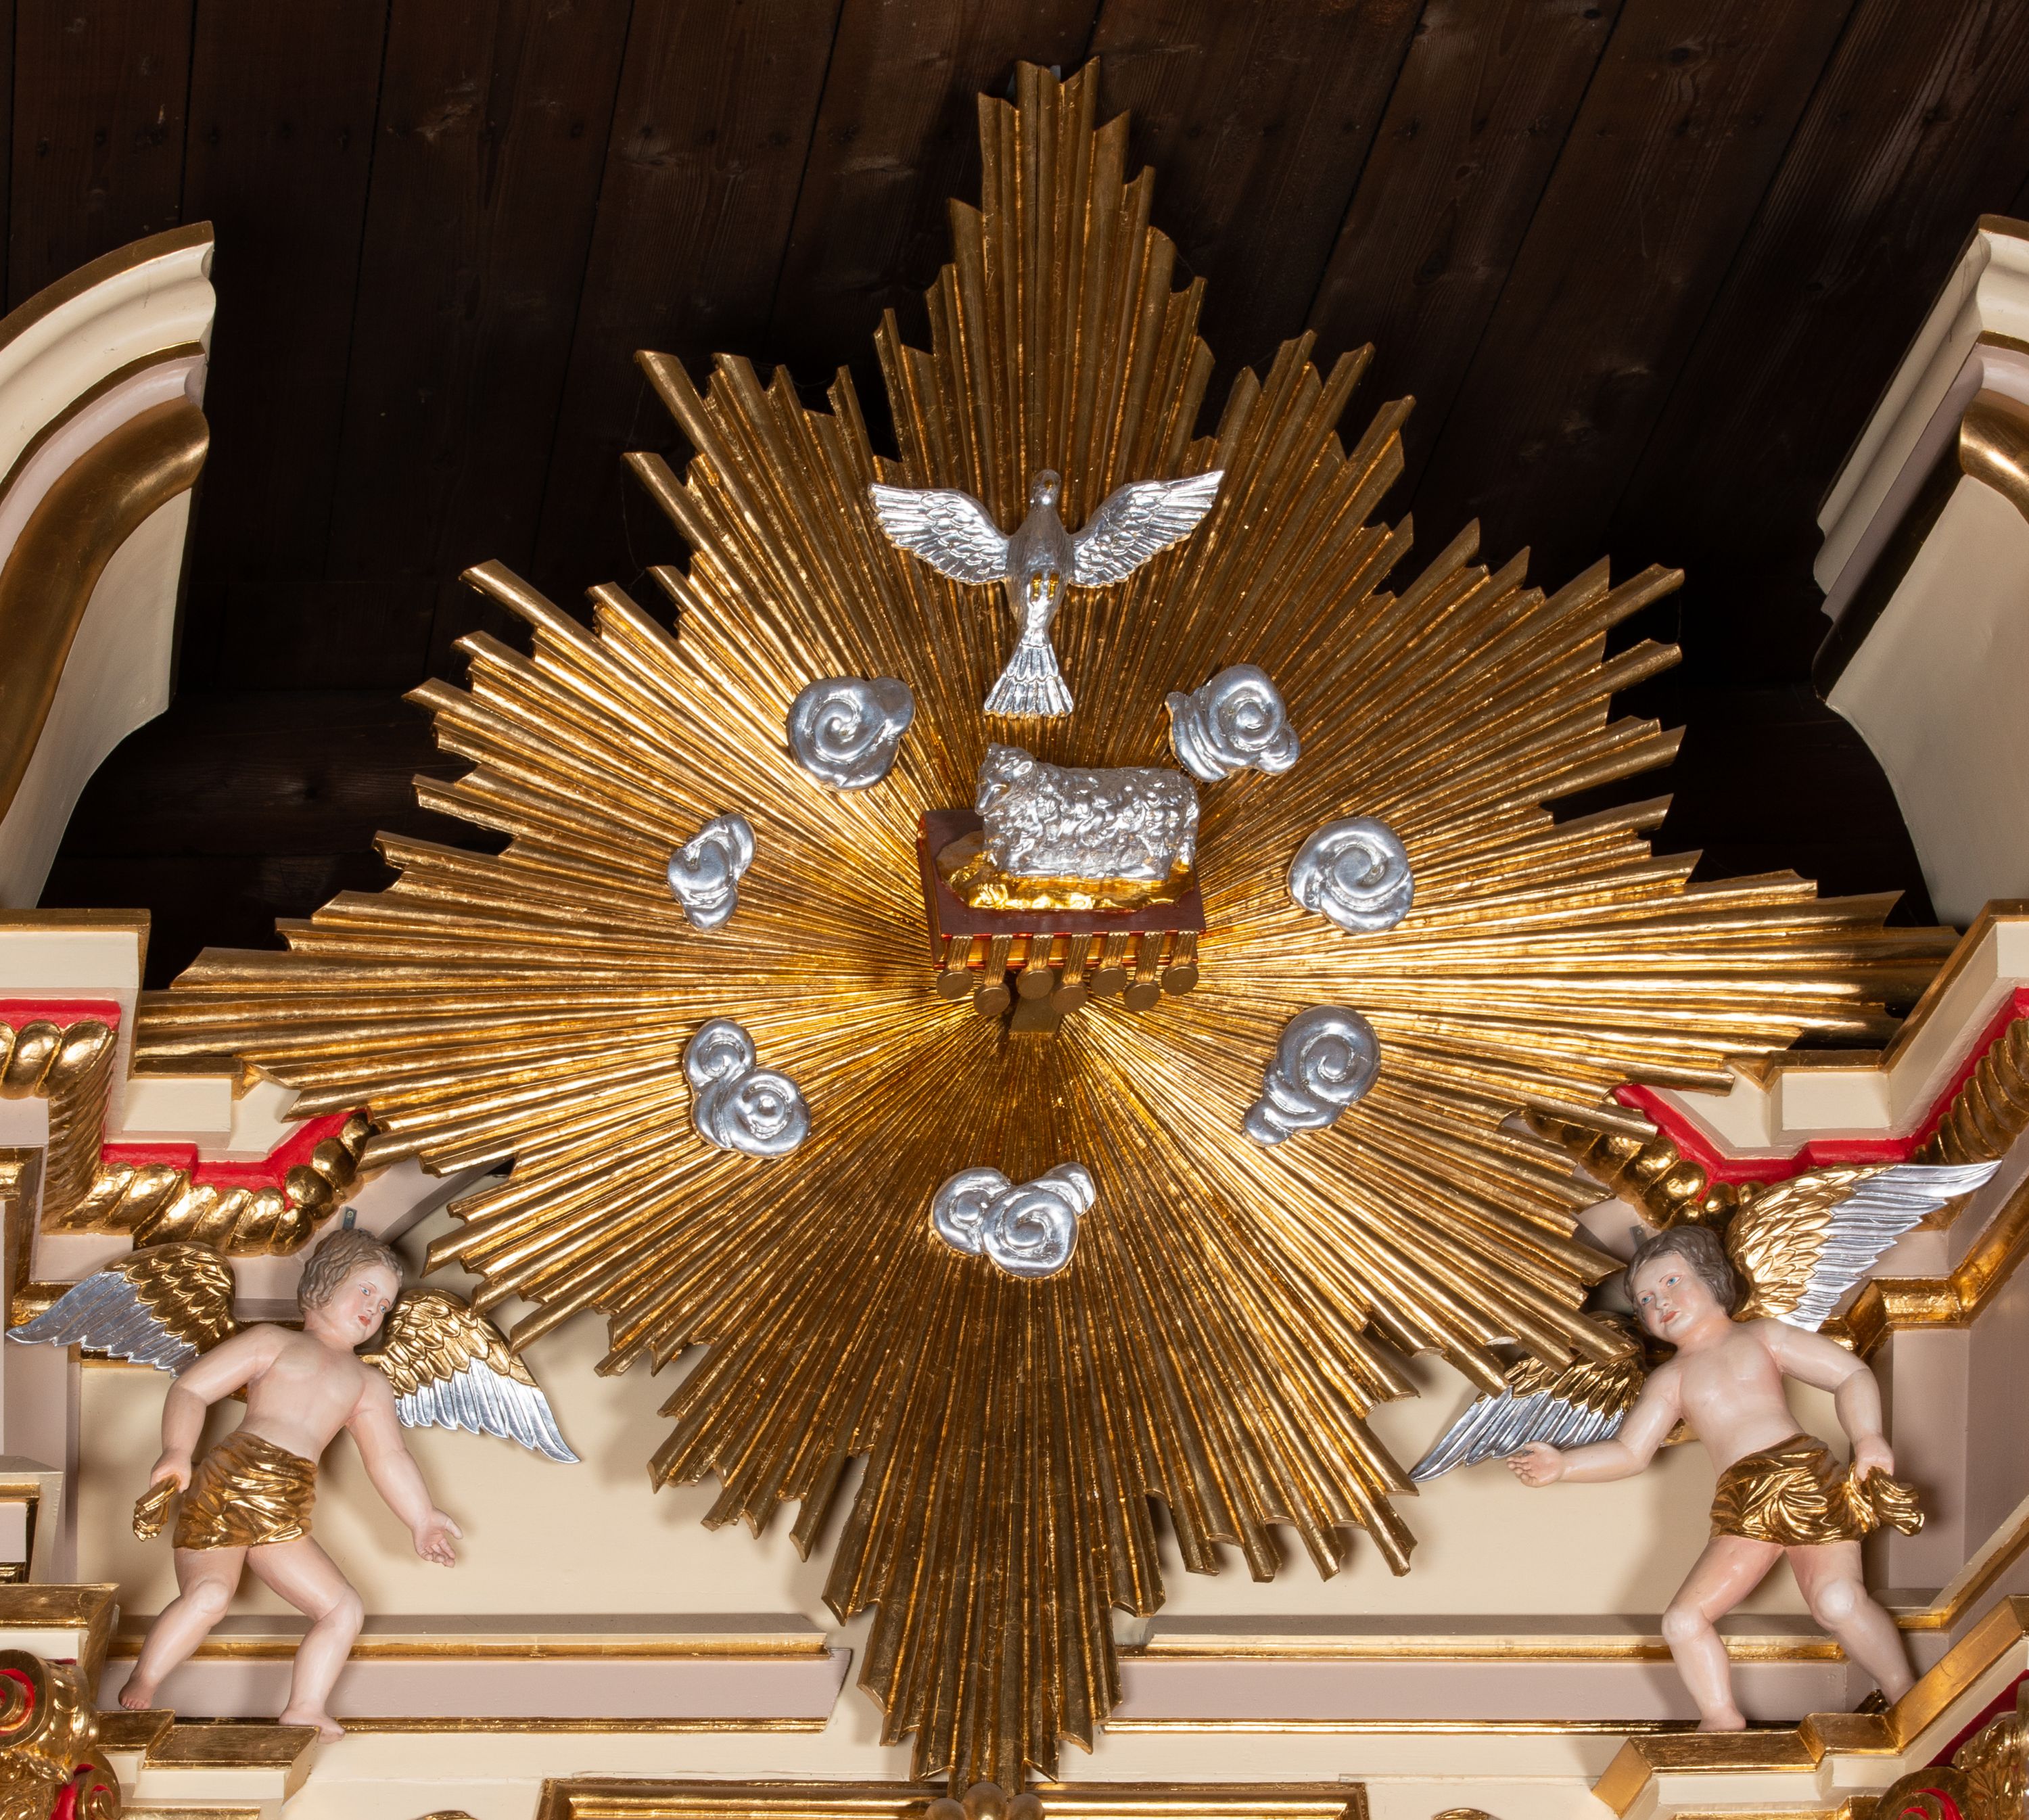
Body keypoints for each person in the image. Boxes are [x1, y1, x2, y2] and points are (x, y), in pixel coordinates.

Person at [1506, 1224, 1920, 1730]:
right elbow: (1631, 1452)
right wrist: (1563, 1465)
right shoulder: (1671, 1378)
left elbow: (1849, 1373)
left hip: (1803, 1475)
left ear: (1712, 1278)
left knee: (1837, 1601)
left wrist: (1869, 1438)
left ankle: (1907, 1696)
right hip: (1741, 1499)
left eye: (1672, 1282)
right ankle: (1721, 1720)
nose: (1661, 1302)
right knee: (1683, 1621)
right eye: (1646, 1299)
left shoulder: (1760, 1336)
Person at [118, 1229, 461, 1739]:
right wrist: (176, 1450)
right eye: (366, 1290)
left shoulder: (368, 1383)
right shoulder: (273, 1342)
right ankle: (144, 1679)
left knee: (343, 1608)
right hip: (231, 1479)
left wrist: (421, 1516)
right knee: (209, 1596)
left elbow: (388, 1456)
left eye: (385, 1305)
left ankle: (305, 1706)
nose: (374, 1310)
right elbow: (192, 1388)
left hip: (288, 1500)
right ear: (326, 1282)